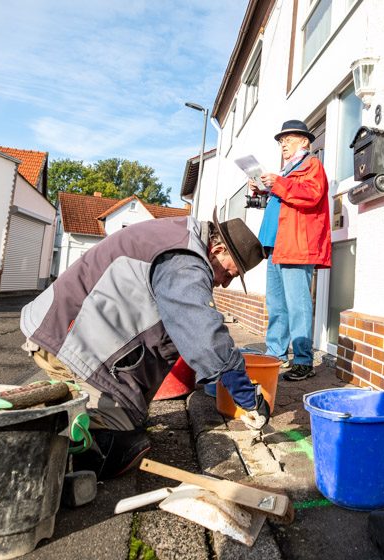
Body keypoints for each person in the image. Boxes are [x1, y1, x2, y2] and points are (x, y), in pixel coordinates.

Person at [19, 209, 270, 480]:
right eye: (229, 274)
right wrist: (248, 397)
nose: (223, 283)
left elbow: (181, 327)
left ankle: (52, 403)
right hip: (66, 341)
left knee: (134, 421)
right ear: (218, 249)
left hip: (73, 332)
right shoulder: (183, 260)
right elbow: (203, 332)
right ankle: (18, 423)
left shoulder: (181, 239)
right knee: (117, 448)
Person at [248, 119, 331, 382]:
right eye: (281, 140)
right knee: (277, 304)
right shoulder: (286, 172)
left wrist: (278, 184)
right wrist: (263, 191)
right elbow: (285, 204)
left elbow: (312, 194)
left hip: (296, 245)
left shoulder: (311, 164)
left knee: (298, 305)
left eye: (288, 139)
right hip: (276, 245)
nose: (283, 143)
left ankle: (304, 361)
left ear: (304, 141)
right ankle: (276, 354)